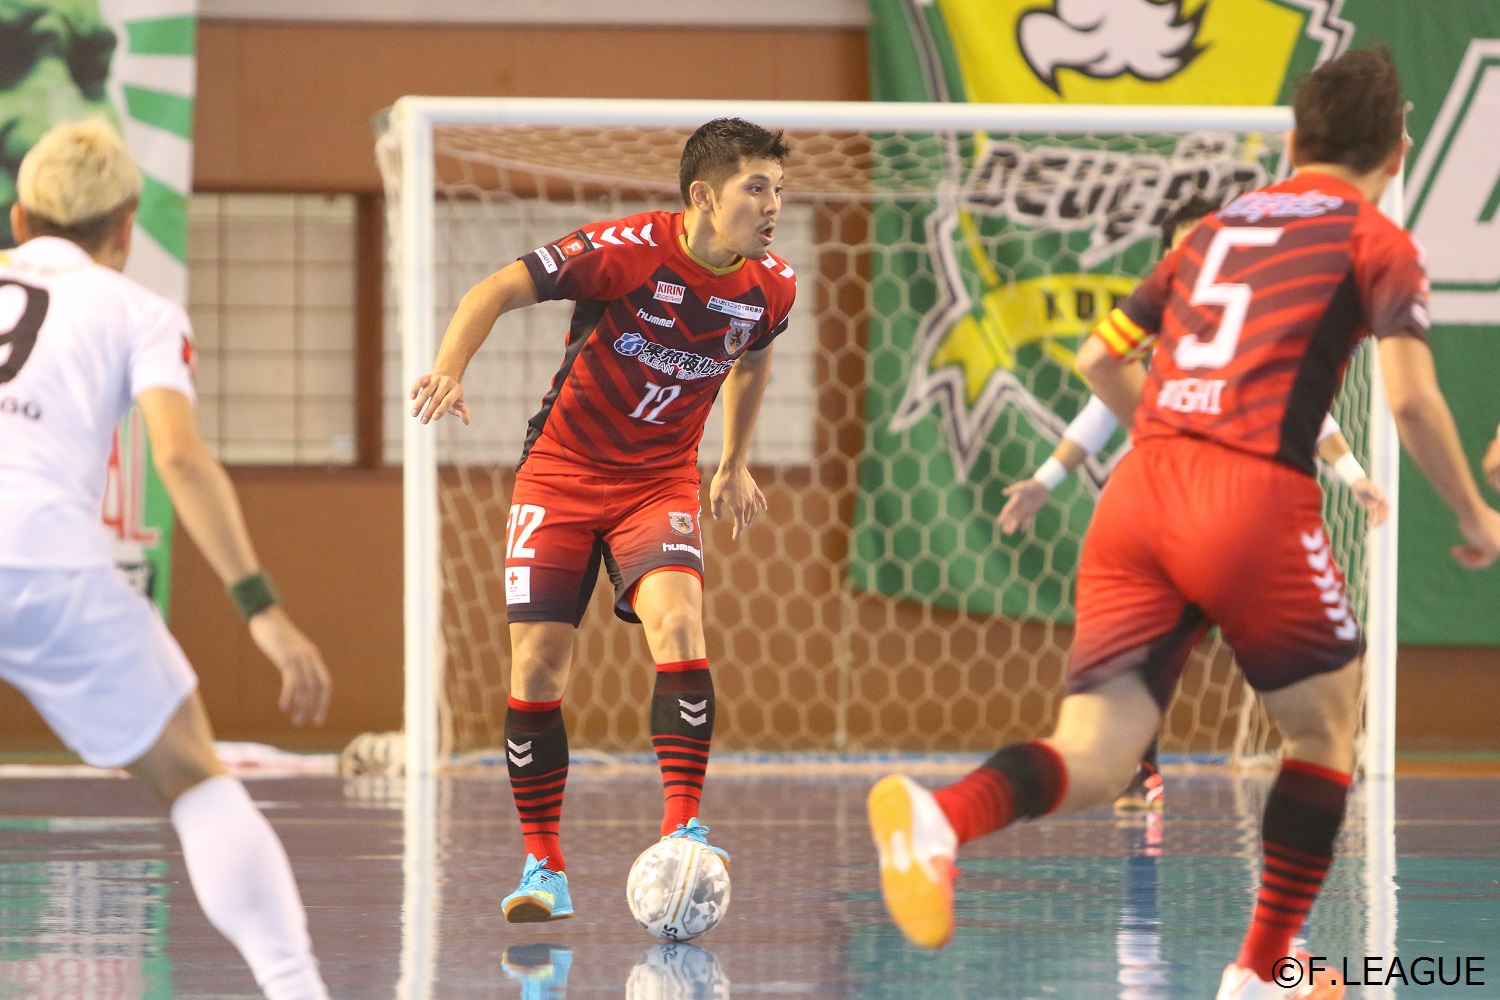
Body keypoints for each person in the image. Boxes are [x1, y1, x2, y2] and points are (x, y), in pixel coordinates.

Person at [868, 49, 1500, 1000]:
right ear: (1398, 154)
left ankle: (943, 819)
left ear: (1293, 141)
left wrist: (1174, 434)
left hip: (1138, 496)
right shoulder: (1377, 238)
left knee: (1097, 753)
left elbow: (1097, 358)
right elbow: (1409, 402)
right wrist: (1477, 515)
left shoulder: (1216, 230)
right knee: (1325, 731)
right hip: (1249, 501)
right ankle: (1262, 968)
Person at [409, 118, 795, 922]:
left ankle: (683, 829)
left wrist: (732, 462)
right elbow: (495, 288)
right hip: (560, 475)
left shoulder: (773, 287)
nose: (772, 207)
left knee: (679, 625)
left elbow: (752, 358)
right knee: (538, 670)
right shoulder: (626, 250)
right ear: (703, 196)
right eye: (756, 188)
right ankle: (543, 867)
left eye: (778, 191)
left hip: (659, 483)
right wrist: (449, 369)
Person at [0, 120, 334, 999]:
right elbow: (180, 458)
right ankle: (295, 987)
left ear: (19, 219)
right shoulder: (136, 309)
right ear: (125, 227)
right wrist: (262, 609)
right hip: (46, 558)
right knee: (194, 777)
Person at [998, 196, 1391, 815]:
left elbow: (1308, 412)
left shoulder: (1256, 325)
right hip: (1160, 506)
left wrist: (1354, 475)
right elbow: (1099, 406)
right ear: (1166, 259)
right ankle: (1142, 768)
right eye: (1184, 246)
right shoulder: (1157, 328)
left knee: (1277, 664)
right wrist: (1045, 480)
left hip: (1228, 514)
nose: (1196, 255)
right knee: (1137, 660)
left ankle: (960, 811)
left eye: (1205, 241)